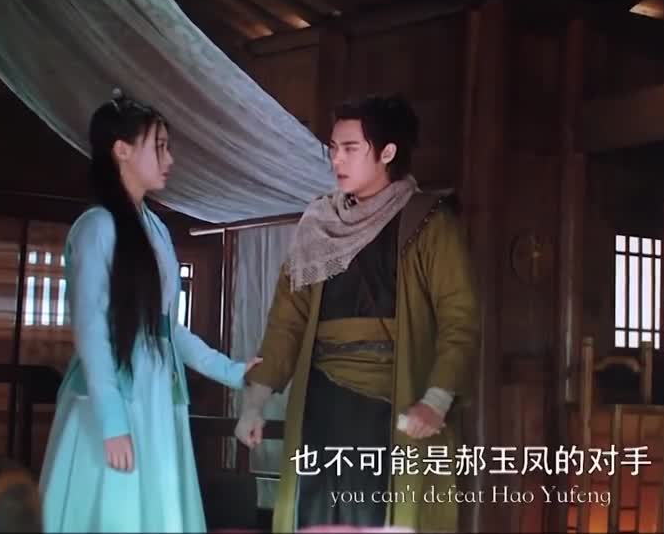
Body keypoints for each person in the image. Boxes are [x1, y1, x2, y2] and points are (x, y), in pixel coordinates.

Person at [233, 94, 480, 532]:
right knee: (314, 516)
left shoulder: (428, 222)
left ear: (387, 152)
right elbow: (286, 322)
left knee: (379, 518)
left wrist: (436, 400)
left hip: (394, 402)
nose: (337, 160)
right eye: (333, 148)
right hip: (322, 401)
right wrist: (255, 403)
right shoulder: (318, 224)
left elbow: (459, 319)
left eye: (350, 148)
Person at [39, 91, 254, 532]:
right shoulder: (96, 227)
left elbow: (166, 330)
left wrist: (234, 372)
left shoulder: (155, 229)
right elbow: (91, 330)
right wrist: (112, 421)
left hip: (157, 393)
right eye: (159, 146)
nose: (169, 158)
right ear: (121, 150)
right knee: (111, 510)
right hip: (112, 396)